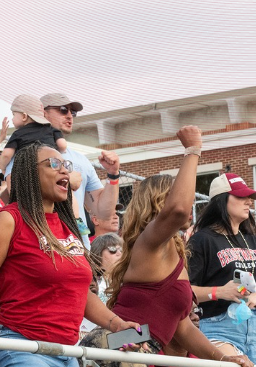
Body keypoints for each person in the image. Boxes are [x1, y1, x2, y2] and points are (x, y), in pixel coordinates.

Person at [80, 126, 252, 367]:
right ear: (161, 203)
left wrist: (224, 359)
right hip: (116, 345)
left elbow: (181, 326)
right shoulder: (149, 242)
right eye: (180, 192)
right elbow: (179, 209)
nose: (190, 198)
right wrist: (193, 150)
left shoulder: (170, 250)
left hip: (134, 348)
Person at [0, 142, 141, 367]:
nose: (64, 170)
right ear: (29, 172)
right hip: (22, 348)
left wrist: (116, 324)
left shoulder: (67, 226)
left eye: (66, 165)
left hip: (67, 352)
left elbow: (80, 293)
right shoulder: (10, 220)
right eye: (54, 164)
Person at [189, 173, 256, 361]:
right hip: (220, 328)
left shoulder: (251, 239)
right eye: (241, 196)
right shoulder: (201, 240)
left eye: (249, 197)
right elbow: (185, 290)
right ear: (222, 200)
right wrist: (219, 292)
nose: (249, 202)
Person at [41, 93, 120, 249]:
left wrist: (113, 174)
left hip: (79, 248)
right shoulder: (27, 152)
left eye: (73, 112)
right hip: (46, 244)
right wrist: (67, 181)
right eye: (63, 110)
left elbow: (101, 212)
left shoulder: (80, 159)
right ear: (43, 113)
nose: (70, 116)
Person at [0, 94, 67, 175]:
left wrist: (3, 168)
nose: (12, 119)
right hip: (50, 166)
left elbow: (6, 155)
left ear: (24, 116)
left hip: (29, 170)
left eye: (14, 115)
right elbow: (62, 145)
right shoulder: (51, 129)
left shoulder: (18, 134)